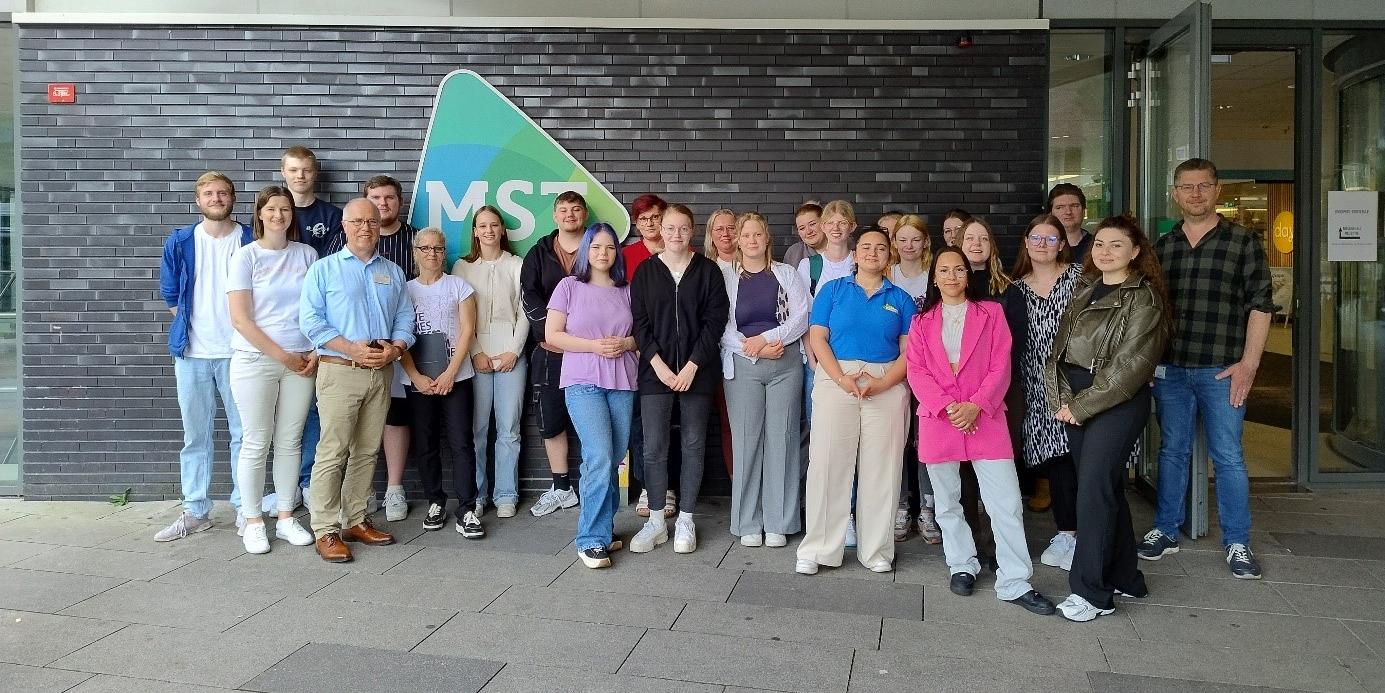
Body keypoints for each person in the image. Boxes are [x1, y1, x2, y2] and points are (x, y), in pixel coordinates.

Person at [1138, 158, 1274, 580]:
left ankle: (1238, 541)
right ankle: (1165, 529)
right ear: (1175, 194)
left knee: (1229, 457)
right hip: (1172, 369)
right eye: (1187, 187)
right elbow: (1149, 310)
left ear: (1217, 191)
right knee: (1172, 451)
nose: (1195, 194)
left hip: (1222, 370)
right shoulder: (1162, 247)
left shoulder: (1242, 242)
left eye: (1203, 186)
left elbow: (1261, 305)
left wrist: (1248, 365)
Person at [906, 247, 1055, 615]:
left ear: (967, 275)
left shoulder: (991, 313)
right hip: (940, 419)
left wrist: (975, 404)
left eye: (959, 269)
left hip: (984, 416)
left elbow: (1001, 364)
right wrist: (947, 406)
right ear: (934, 277)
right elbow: (916, 371)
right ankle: (961, 564)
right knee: (947, 502)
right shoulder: (921, 321)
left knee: (1004, 502)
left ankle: (1015, 579)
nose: (953, 276)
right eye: (944, 270)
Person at [1046, 215, 1171, 621]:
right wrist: (1065, 399)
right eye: (1099, 244)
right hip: (1078, 400)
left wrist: (1080, 406)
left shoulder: (1145, 297)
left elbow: (1130, 367)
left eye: (1116, 245)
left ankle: (1091, 594)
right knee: (1105, 488)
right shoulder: (1086, 288)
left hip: (1116, 401)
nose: (1105, 251)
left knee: (1092, 494)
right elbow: (1060, 351)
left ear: (1136, 251)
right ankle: (1125, 578)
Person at [298, 198, 415, 562]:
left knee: (366, 451)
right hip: (339, 372)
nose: (365, 227)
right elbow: (311, 321)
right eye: (358, 221)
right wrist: (351, 348)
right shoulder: (324, 270)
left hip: (381, 372)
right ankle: (326, 528)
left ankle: (355, 519)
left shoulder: (393, 272)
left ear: (379, 227)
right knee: (333, 451)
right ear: (344, 226)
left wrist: (396, 349)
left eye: (372, 222)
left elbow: (405, 319)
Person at [795, 228, 915, 575]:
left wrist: (883, 382)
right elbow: (818, 338)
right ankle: (818, 548)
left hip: (887, 382)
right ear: (855, 254)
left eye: (880, 247)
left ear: (889, 254)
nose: (873, 253)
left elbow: (909, 352)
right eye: (866, 247)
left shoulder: (902, 299)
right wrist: (841, 378)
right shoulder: (832, 291)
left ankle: (876, 550)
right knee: (827, 464)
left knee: (883, 469)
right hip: (837, 379)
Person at [154, 171, 252, 543]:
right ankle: (196, 511)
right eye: (209, 193)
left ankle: (246, 508)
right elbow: (170, 295)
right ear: (198, 201)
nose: (216, 199)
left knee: (244, 434)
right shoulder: (180, 241)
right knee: (195, 436)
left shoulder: (248, 239)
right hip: (192, 353)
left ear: (232, 199)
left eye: (223, 193)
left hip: (239, 353)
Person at [629, 203, 730, 554]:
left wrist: (692, 366)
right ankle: (656, 520)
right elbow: (639, 324)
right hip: (655, 372)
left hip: (697, 374)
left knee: (692, 445)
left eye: (682, 228)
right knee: (654, 447)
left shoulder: (708, 271)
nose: (675, 234)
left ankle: (685, 518)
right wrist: (657, 365)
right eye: (669, 228)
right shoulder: (645, 271)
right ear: (661, 229)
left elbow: (715, 322)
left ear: (692, 231)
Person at [226, 185, 319, 554]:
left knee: (290, 441)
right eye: (272, 209)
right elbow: (241, 320)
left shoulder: (307, 254)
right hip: (256, 360)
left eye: (285, 209)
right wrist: (285, 356)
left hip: (301, 360)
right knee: (256, 441)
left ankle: (284, 517)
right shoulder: (245, 257)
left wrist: (312, 350)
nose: (279, 215)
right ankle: (251, 520)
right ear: (260, 214)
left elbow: (317, 308)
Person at [545, 223, 640, 568]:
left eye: (610, 248)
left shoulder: (628, 290)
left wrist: (627, 343)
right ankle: (590, 539)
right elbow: (552, 335)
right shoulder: (568, 287)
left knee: (612, 458)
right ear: (586, 250)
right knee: (599, 455)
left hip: (622, 380)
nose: (603, 253)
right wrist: (594, 346)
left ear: (617, 252)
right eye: (596, 247)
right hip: (583, 380)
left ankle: (604, 528)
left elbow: (641, 335)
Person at [720, 212, 809, 548]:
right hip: (743, 363)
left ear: (767, 238)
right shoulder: (727, 277)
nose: (752, 240)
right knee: (747, 442)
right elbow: (721, 326)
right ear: (738, 241)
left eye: (758, 235)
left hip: (785, 363)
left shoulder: (786, 274)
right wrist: (753, 347)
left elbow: (801, 316)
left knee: (783, 440)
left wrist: (771, 339)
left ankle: (779, 522)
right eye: (746, 235)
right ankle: (747, 522)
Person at [332, 175, 419, 522]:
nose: (382, 206)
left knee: (395, 419)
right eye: (374, 199)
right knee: (352, 430)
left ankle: (394, 489)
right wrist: (348, 348)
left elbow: (409, 305)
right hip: (349, 356)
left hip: (398, 349)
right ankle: (356, 498)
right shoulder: (335, 255)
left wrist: (397, 346)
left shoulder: (413, 240)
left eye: (389, 198)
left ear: (399, 202)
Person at [1012, 213, 1084, 572]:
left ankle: (1089, 533)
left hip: (1078, 383)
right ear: (1026, 243)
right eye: (1036, 238)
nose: (1042, 245)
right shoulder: (1016, 287)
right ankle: (1067, 533)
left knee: (1083, 459)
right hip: (1036, 386)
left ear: (1062, 243)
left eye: (1050, 238)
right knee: (1056, 461)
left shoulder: (1080, 279)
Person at [401, 228, 481, 537]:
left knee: (462, 443)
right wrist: (415, 376)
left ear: (444, 252)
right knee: (426, 445)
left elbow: (467, 331)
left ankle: (467, 509)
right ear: (415, 252)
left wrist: (450, 373)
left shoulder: (459, 286)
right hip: (419, 382)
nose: (432, 253)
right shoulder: (404, 290)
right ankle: (435, 501)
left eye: (438, 248)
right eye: (426, 248)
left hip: (457, 379)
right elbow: (400, 337)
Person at [957, 217, 1025, 569]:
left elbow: (1012, 348)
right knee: (963, 472)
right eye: (970, 238)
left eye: (984, 237)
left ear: (992, 245)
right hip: (958, 394)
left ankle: (1000, 544)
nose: (977, 243)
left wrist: (991, 392)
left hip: (999, 392)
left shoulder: (1008, 289)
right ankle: (969, 542)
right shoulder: (950, 285)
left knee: (998, 471)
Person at [453, 206, 528, 519]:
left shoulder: (517, 264)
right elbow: (458, 316)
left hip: (512, 354)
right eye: (482, 225)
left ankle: (507, 494)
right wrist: (475, 352)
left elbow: (526, 311)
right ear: (475, 231)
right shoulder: (462, 267)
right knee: (478, 429)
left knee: (509, 428)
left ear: (502, 230)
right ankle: (479, 494)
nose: (488, 231)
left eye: (494, 225)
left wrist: (513, 350)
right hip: (477, 354)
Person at [278, 145, 341, 514]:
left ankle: (308, 482)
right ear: (283, 172)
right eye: (293, 169)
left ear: (314, 173)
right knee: (285, 415)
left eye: (305, 170)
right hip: (282, 331)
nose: (299, 175)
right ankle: (286, 486)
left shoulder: (331, 216)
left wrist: (323, 337)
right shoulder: (271, 213)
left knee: (318, 411)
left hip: (320, 328)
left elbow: (332, 277)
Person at [521, 190, 588, 516]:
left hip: (589, 353)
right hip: (549, 352)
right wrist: (556, 330)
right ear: (555, 215)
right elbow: (529, 296)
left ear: (584, 215)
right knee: (551, 421)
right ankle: (562, 487)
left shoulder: (597, 249)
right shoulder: (539, 253)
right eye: (563, 209)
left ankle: (593, 485)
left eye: (576, 209)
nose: (570, 215)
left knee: (593, 420)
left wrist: (580, 335)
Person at [796, 199, 860, 545]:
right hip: (818, 368)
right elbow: (806, 321)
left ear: (852, 227)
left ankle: (848, 514)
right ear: (820, 227)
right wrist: (815, 361)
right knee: (822, 445)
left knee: (852, 445)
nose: (835, 228)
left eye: (842, 222)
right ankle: (822, 514)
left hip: (857, 368)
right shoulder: (810, 267)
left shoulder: (861, 261)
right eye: (829, 222)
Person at [888, 214, 941, 544]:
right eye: (902, 239)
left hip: (930, 370)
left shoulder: (934, 275)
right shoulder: (886, 274)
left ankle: (928, 509)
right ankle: (900, 505)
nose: (909, 245)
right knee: (896, 440)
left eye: (915, 239)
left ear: (925, 242)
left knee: (926, 441)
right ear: (894, 243)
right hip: (893, 369)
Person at [623, 194, 666, 278]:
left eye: (655, 217)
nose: (649, 224)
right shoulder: (625, 255)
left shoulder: (681, 251)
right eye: (643, 219)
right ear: (637, 223)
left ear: (663, 219)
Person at [1048, 183, 1091, 264]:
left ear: (1084, 211)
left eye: (1074, 206)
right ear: (1050, 213)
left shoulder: (1097, 245)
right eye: (1060, 207)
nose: (1068, 212)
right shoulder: (1041, 246)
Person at [782, 202, 824, 270]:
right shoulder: (793, 252)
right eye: (802, 228)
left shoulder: (843, 247)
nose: (808, 231)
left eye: (812, 224)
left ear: (824, 222)